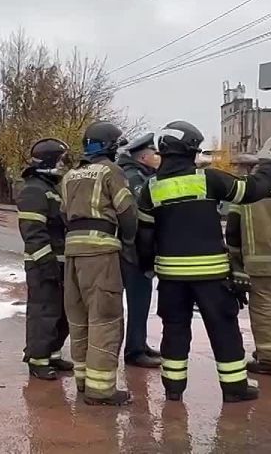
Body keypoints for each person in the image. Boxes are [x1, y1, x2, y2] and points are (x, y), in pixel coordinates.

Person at [135, 121, 271, 403]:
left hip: (171, 277)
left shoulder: (150, 188)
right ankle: (235, 388)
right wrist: (270, 164)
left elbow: (144, 236)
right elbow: (253, 191)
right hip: (211, 275)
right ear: (191, 150)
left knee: (174, 330)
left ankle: (173, 389)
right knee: (223, 329)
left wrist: (146, 266)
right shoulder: (209, 179)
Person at [61, 121, 137, 406]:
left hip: (73, 253)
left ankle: (83, 382)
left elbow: (63, 215)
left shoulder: (69, 176)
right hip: (101, 254)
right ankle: (101, 390)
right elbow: (127, 212)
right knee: (105, 319)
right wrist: (129, 243)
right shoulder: (111, 172)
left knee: (78, 318)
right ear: (111, 147)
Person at [226, 134, 271, 377]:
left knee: (263, 308)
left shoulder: (251, 185)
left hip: (258, 258)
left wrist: (235, 259)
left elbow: (233, 226)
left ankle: (270, 358)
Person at [18, 138, 73, 380]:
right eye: (61, 161)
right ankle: (37, 359)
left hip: (58, 262)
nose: (63, 166)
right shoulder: (34, 190)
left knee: (61, 312)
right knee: (44, 311)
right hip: (42, 264)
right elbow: (32, 232)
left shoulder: (48, 188)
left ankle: (52, 353)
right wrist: (46, 263)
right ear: (49, 161)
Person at [116, 132, 162, 368]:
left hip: (136, 249)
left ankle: (139, 343)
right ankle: (134, 350)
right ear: (143, 157)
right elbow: (135, 216)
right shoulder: (134, 177)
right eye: (154, 153)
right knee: (137, 299)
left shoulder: (143, 175)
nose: (157, 156)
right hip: (131, 250)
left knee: (142, 300)